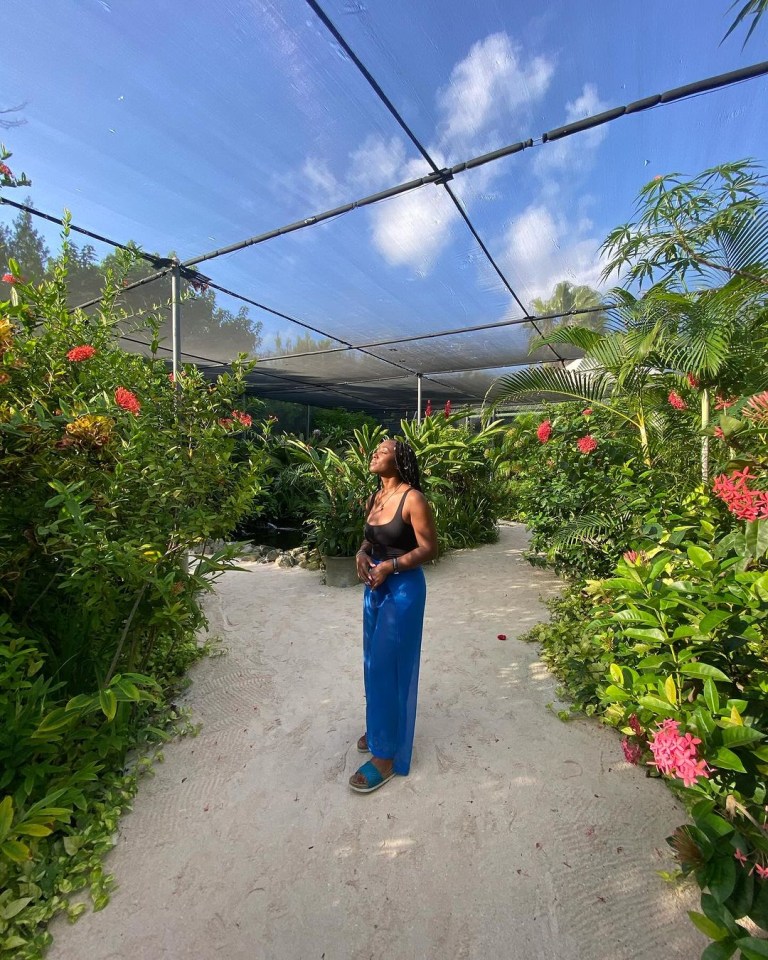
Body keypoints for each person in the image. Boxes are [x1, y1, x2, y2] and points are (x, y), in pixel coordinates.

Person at [349, 438, 438, 793]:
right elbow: (370, 539)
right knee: (372, 663)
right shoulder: (376, 497)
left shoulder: (412, 498)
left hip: (403, 591)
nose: (374, 453)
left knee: (389, 666)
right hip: (375, 587)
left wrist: (393, 566)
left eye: (382, 451)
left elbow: (430, 548)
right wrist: (361, 552)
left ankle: (386, 757)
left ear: (399, 460)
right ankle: (379, 728)